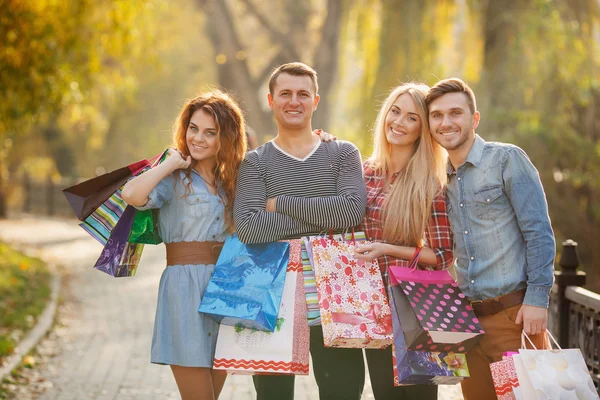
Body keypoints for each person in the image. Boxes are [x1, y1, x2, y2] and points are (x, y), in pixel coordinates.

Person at [233, 62, 368, 400]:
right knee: (273, 396)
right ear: (271, 100)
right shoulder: (255, 162)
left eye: (303, 94)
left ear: (315, 101)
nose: (294, 101)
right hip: (273, 298)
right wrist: (326, 215)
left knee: (344, 392)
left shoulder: (342, 153)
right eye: (286, 94)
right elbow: (249, 228)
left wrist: (280, 203)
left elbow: (352, 210)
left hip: (337, 297)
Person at [425, 78, 555, 400]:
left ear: (474, 118)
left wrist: (538, 297)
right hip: (467, 326)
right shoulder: (441, 179)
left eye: (456, 112)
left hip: (513, 321)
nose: (446, 122)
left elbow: (538, 231)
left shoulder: (506, 160)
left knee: (523, 397)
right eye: (437, 115)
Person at [121, 90, 247, 400]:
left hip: (226, 288)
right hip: (184, 289)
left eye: (210, 132)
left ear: (225, 137)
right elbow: (132, 195)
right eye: (193, 128)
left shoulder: (233, 180)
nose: (198, 138)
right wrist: (168, 164)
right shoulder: (172, 178)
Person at [353, 83, 453, 399]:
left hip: (416, 306)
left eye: (411, 118)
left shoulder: (431, 182)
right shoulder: (364, 172)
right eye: (395, 112)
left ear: (423, 129)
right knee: (384, 393)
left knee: (420, 395)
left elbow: (443, 255)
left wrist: (387, 248)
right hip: (372, 303)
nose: (398, 122)